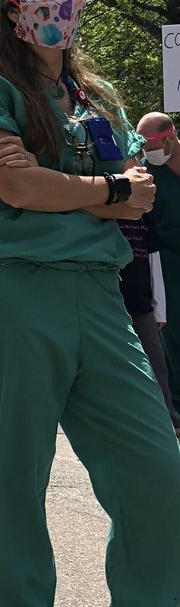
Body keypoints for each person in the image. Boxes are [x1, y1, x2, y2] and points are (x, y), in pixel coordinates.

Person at [0, 0, 180, 607]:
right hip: (14, 294)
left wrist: (112, 188)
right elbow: (16, 184)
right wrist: (111, 189)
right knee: (16, 479)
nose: (65, 4)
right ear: (15, 6)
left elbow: (130, 190)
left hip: (98, 295)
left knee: (158, 472)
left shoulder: (96, 94)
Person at [116, 211, 180, 433]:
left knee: (155, 364)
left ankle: (169, 420)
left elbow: (153, 257)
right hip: (112, 301)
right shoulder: (108, 211)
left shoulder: (145, 214)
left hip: (142, 304)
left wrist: (159, 308)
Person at [136, 114, 180, 413]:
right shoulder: (148, 173)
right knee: (172, 333)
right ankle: (175, 403)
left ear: (170, 135)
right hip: (168, 260)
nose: (148, 151)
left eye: (151, 144)